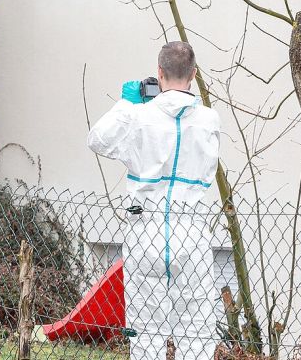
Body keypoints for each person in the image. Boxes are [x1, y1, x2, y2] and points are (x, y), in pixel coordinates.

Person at [87, 41, 220, 360]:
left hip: (145, 229)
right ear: (194, 74)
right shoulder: (209, 119)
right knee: (197, 330)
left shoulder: (138, 116)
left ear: (158, 73)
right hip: (191, 230)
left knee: (146, 332)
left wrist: (125, 103)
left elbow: (97, 140)